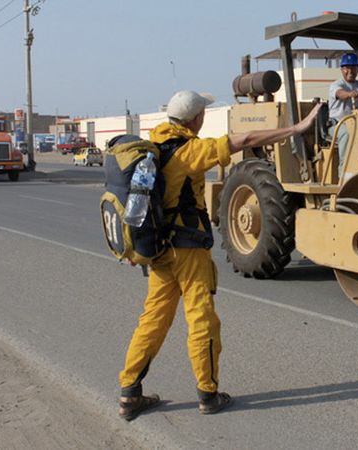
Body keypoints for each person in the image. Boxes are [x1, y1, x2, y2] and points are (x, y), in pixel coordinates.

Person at [117, 90, 322, 420]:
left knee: (152, 320)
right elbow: (247, 139)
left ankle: (129, 394)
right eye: (201, 116)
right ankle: (208, 395)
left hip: (159, 251)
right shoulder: (192, 151)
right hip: (188, 251)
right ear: (194, 119)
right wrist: (296, 129)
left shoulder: (153, 145)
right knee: (202, 321)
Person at [328, 52, 358, 177]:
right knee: (346, 133)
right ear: (342, 69)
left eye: (353, 67)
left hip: (357, 123)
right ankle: (344, 173)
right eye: (347, 67)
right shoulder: (337, 85)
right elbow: (340, 93)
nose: (350, 70)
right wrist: (349, 94)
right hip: (337, 124)